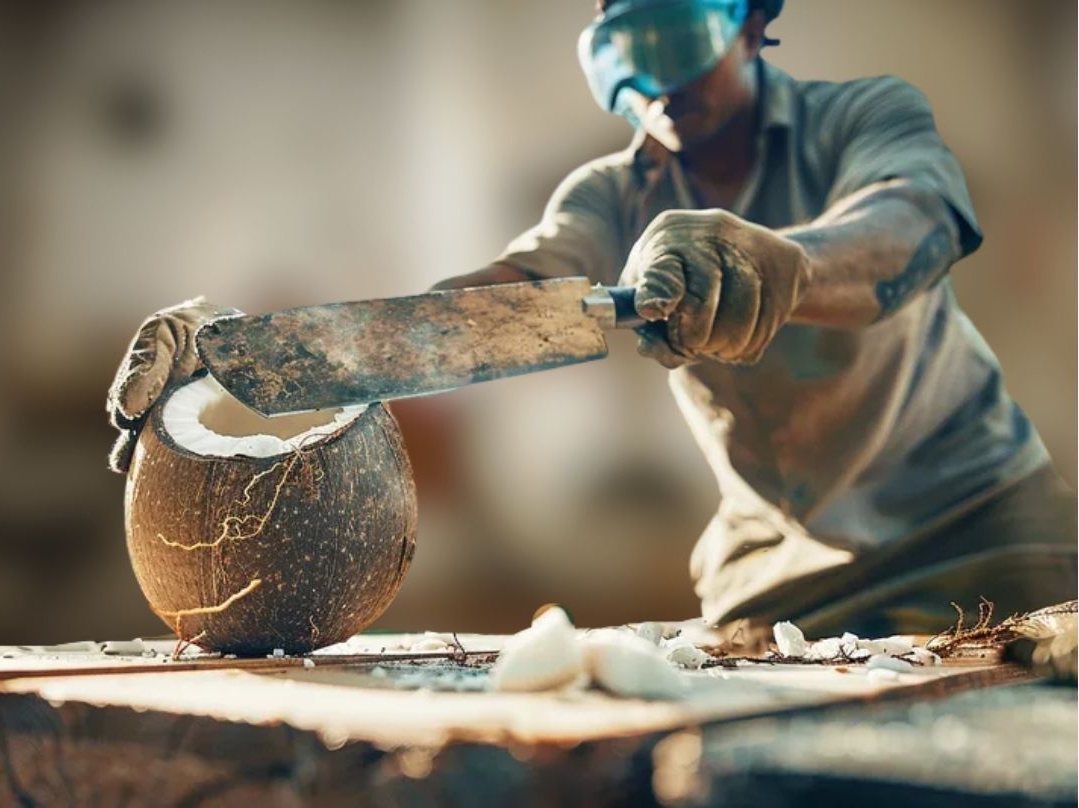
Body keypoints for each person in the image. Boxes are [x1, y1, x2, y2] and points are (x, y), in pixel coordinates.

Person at [107, 0, 1076, 638]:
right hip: (773, 596)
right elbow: (492, 309)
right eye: (632, 65)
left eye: (685, 57)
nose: (661, 97)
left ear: (749, 27)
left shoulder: (864, 120)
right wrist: (244, 352)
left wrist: (778, 263)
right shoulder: (614, 197)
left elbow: (915, 222)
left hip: (985, 545)